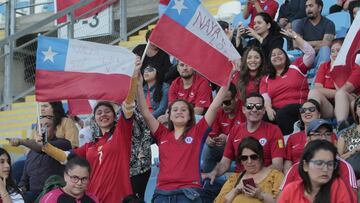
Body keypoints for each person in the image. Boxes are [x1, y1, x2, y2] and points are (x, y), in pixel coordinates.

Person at [38, 59, 142, 202]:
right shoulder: (90, 146)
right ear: (94, 119)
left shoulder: (121, 134)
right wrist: (45, 146)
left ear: (114, 116)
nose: (103, 114)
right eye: (99, 112)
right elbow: (63, 157)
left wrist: (134, 75)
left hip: (119, 198)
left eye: (107, 111)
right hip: (93, 200)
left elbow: (128, 105)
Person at [137, 64, 235, 202]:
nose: (179, 112)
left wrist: (228, 77)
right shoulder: (162, 133)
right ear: (169, 115)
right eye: (175, 109)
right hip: (162, 194)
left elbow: (214, 106)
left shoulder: (197, 131)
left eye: (184, 110)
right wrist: (138, 84)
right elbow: (146, 113)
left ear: (190, 116)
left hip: (188, 194)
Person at [202, 93, 285, 184]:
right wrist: (214, 173)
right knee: (205, 187)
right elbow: (225, 163)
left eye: (258, 106)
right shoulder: (235, 130)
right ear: (243, 109)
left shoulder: (274, 130)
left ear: (264, 110)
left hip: (265, 180)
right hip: (239, 179)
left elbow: (278, 165)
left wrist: (252, 178)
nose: (254, 109)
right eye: (249, 106)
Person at [260, 29, 315, 135]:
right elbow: (265, 98)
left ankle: (290, 140)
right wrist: (268, 109)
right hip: (277, 110)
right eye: (273, 55)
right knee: (262, 115)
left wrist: (295, 37)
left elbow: (310, 53)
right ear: (270, 60)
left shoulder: (297, 66)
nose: (276, 56)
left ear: (285, 56)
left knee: (282, 113)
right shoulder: (266, 78)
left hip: (298, 107)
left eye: (279, 54)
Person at [280, 119, 358, 193]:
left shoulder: (344, 167)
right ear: (308, 139)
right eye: (317, 134)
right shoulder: (295, 168)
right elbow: (281, 198)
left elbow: (351, 198)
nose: (323, 138)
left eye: (327, 134)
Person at [8, 116, 72, 203]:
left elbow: (42, 147)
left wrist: (21, 142)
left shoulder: (63, 144)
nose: (42, 129)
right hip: (33, 194)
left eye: (47, 126)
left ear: (55, 130)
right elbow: (24, 179)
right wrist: (21, 189)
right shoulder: (31, 152)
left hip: (53, 191)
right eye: (40, 126)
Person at [278, 140, 356, 203]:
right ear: (305, 166)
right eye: (319, 163)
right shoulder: (291, 190)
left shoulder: (338, 187)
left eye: (330, 164)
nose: (325, 169)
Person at [214, 137, 284, 203]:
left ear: (261, 157)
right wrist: (235, 190)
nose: (249, 161)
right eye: (244, 158)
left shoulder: (276, 176)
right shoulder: (234, 178)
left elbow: (283, 201)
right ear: (240, 160)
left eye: (253, 157)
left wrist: (261, 195)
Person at [202, 83, 244, 173]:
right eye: (221, 103)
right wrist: (209, 139)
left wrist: (229, 138)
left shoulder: (245, 110)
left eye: (227, 102)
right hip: (223, 149)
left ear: (236, 98)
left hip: (240, 149)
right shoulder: (218, 110)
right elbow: (213, 134)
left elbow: (249, 136)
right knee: (207, 147)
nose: (224, 106)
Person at [292, 0, 335, 79]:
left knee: (325, 49)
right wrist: (318, 42)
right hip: (305, 58)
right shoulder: (300, 23)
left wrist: (305, 45)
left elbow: (327, 45)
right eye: (306, 7)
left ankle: (319, 76)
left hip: (321, 57)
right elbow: (296, 44)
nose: (308, 9)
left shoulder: (329, 24)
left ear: (319, 7)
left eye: (311, 6)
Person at [308, 38, 344, 119]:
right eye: (332, 51)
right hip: (328, 104)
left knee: (341, 95)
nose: (335, 54)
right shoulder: (324, 66)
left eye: (338, 50)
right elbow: (318, 88)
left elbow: (343, 90)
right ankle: (314, 125)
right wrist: (337, 93)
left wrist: (335, 70)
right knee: (313, 93)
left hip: (345, 103)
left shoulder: (351, 67)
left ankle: (340, 125)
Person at [284, 99, 321, 174]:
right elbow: (287, 164)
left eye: (311, 109)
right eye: (303, 110)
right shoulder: (292, 138)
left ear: (319, 114)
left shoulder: (327, 134)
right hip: (297, 177)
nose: (307, 112)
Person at [337, 96, 360, 177]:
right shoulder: (345, 134)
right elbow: (338, 160)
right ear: (356, 110)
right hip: (352, 176)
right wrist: (354, 151)